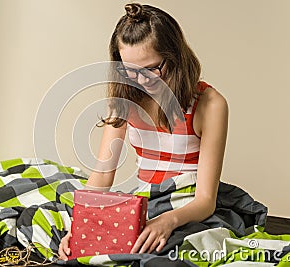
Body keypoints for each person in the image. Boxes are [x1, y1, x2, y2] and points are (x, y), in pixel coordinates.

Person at [59, 2, 228, 261]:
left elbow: (205, 200)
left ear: (174, 58)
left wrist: (167, 221)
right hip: (146, 201)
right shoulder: (125, 97)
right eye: (130, 70)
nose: (140, 80)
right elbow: (103, 175)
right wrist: (81, 225)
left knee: (165, 256)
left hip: (186, 207)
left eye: (151, 69)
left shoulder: (210, 104)